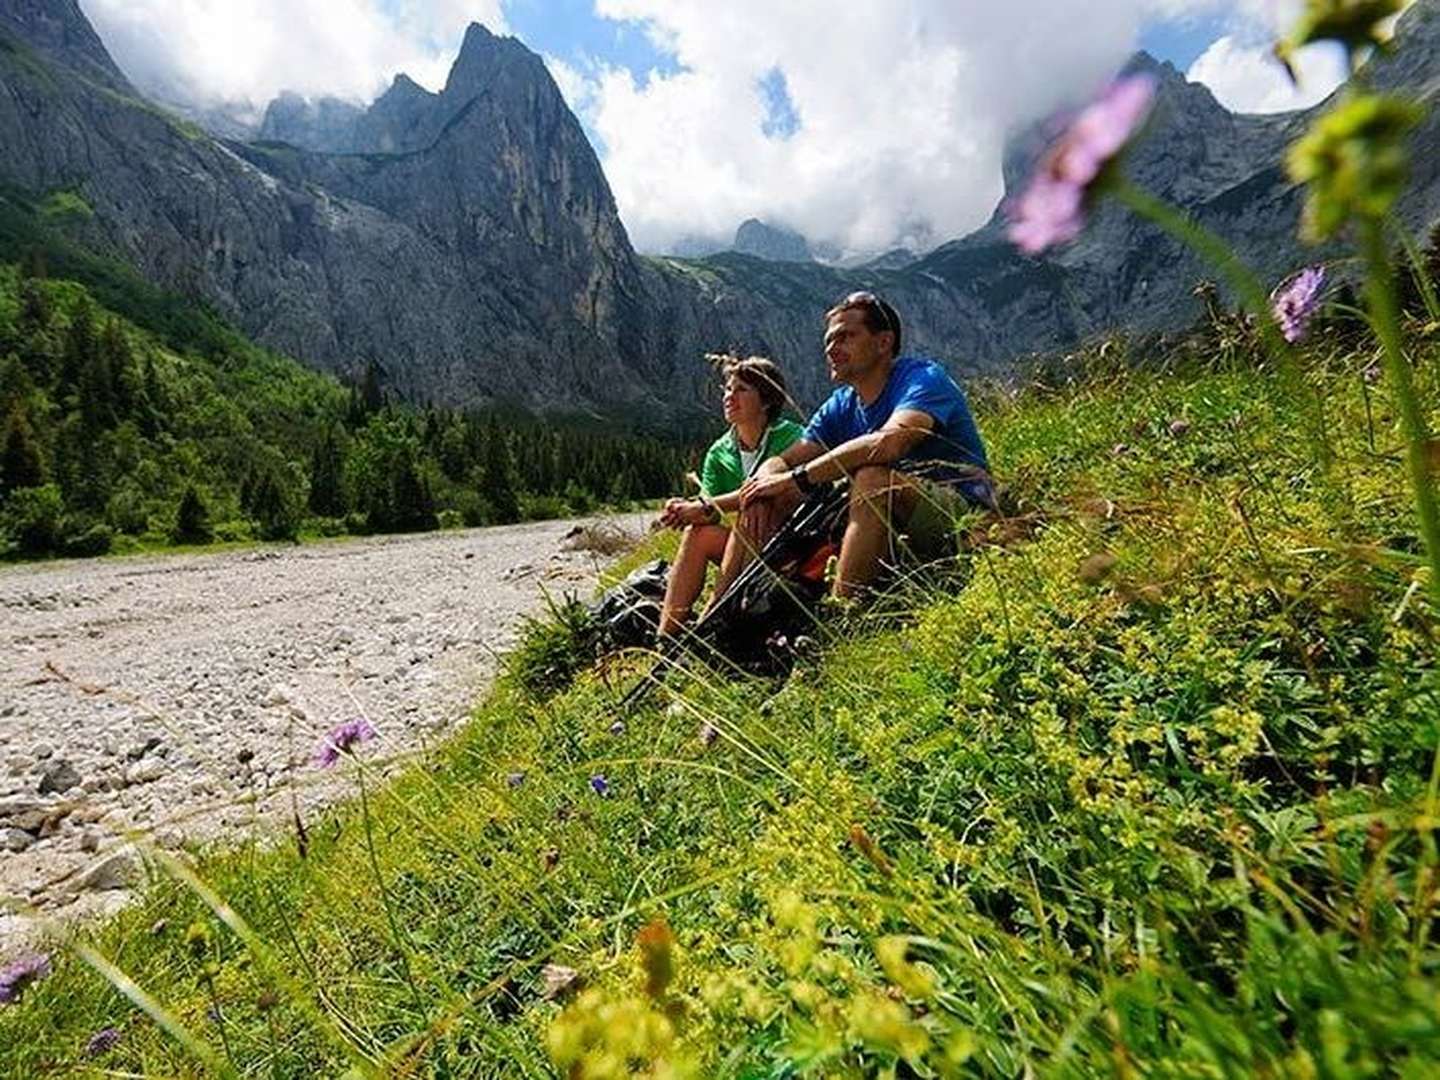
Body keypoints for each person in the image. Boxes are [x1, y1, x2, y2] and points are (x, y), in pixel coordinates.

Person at [709, 292, 992, 604]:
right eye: (829, 340)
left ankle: (842, 615)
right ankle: (717, 618)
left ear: (884, 342)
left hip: (965, 513)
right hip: (891, 525)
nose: (832, 348)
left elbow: (890, 442)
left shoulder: (924, 378)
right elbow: (784, 459)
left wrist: (796, 479)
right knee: (763, 496)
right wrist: (764, 486)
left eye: (845, 337)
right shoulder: (842, 404)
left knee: (872, 479)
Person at [656, 356, 804, 637]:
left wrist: (705, 505)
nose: (729, 396)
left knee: (756, 502)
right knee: (697, 533)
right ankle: (667, 636)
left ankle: (714, 618)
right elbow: (708, 510)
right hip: (746, 542)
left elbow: (783, 489)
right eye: (727, 389)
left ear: (767, 401)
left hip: (791, 541)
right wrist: (683, 508)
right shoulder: (719, 451)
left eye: (741, 390)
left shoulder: (792, 436)